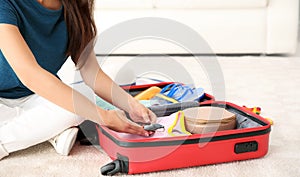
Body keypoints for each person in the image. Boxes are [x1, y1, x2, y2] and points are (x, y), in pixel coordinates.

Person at [0, 0, 157, 160]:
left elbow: (92, 73)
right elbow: (29, 74)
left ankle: (45, 130)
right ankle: (38, 134)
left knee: (80, 104)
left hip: (36, 95)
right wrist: (104, 117)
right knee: (88, 110)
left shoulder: (74, 8)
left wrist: (132, 106)